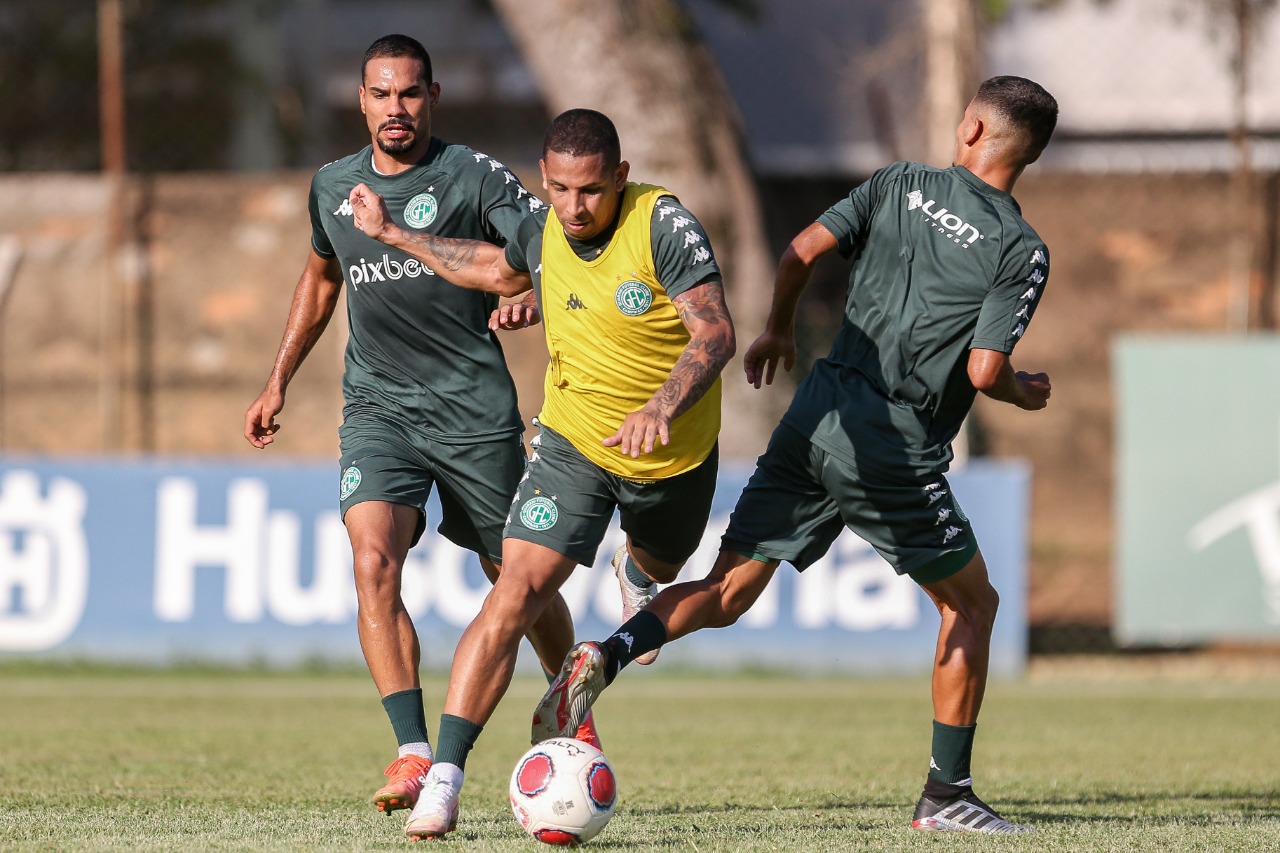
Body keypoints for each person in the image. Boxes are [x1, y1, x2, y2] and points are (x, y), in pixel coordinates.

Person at [533, 76, 1059, 836]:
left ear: (972, 127)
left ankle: (607, 652)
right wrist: (1023, 388)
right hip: (893, 445)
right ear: (1028, 152)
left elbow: (801, 250)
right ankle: (948, 795)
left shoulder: (900, 183)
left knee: (728, 588)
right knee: (973, 605)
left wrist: (778, 329)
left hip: (816, 413)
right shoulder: (1022, 249)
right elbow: (983, 370)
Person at [347, 107, 736, 840]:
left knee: (662, 555)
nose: (574, 207)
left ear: (620, 177)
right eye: (558, 189)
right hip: (574, 445)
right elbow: (494, 268)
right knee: (515, 589)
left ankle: (639, 574)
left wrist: (661, 406)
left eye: (590, 190)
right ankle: (445, 779)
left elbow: (715, 332)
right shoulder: (545, 227)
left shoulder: (662, 223)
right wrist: (396, 234)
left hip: (671, 458)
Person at [242, 34, 595, 819]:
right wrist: (277, 380)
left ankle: (571, 702)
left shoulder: (472, 175)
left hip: (471, 412)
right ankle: (412, 750)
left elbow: (540, 247)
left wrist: (532, 286)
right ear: (360, 99)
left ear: (432, 96)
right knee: (373, 559)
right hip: (379, 410)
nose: (395, 109)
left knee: (518, 577)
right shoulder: (333, 185)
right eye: (381, 93)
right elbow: (321, 273)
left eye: (410, 94)